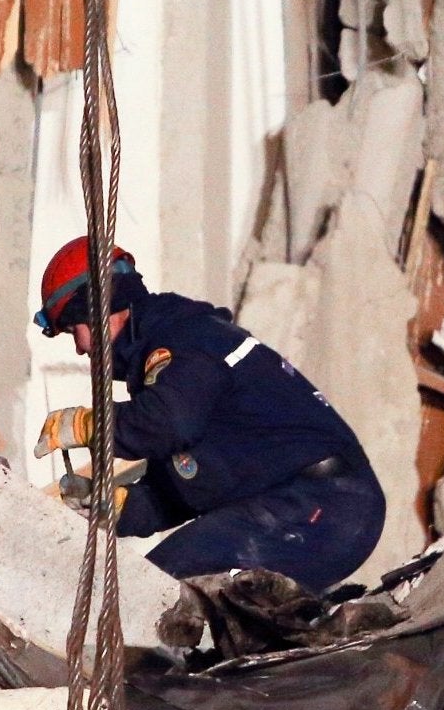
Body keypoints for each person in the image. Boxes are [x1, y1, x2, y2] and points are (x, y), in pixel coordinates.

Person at [32, 239, 384, 593]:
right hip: (318, 508)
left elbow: (166, 423)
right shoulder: (172, 348)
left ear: (99, 309)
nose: (79, 348)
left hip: (321, 504)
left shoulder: (189, 337)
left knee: (155, 595)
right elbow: (189, 484)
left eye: (73, 330)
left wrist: (85, 426)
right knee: (167, 600)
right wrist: (118, 507)